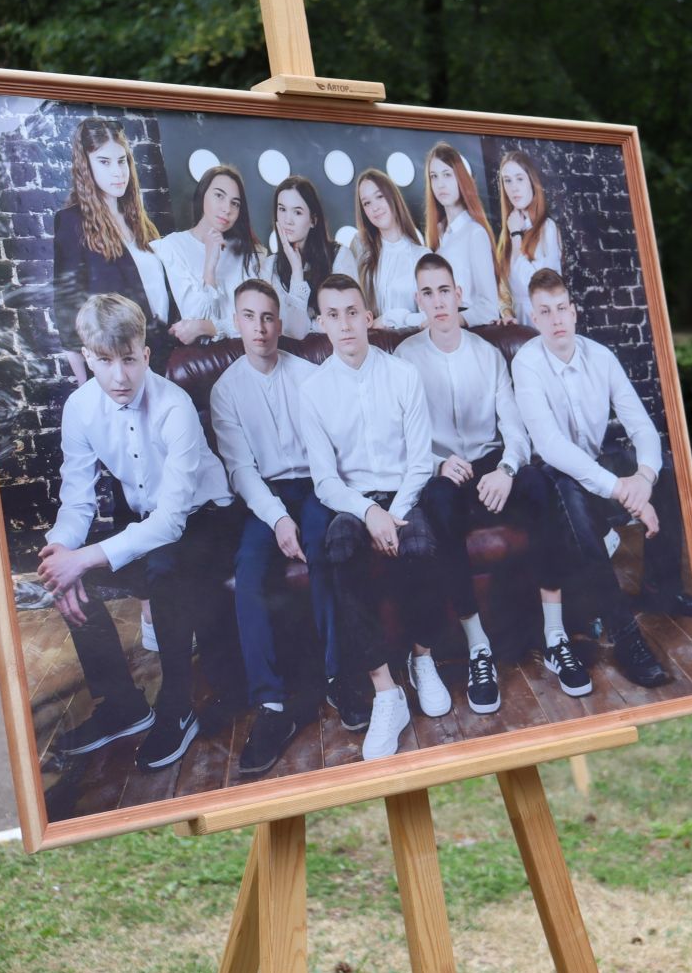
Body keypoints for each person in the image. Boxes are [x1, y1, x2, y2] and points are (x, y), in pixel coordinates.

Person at [37, 293, 240, 771]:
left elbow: (172, 522)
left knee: (164, 563)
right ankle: (122, 705)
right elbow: (78, 502)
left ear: (145, 355)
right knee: (70, 571)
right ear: (88, 357)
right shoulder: (80, 408)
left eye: (129, 360)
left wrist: (83, 558)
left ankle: (177, 707)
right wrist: (61, 553)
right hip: (150, 522)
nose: (120, 376)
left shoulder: (176, 406)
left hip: (209, 519)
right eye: (105, 362)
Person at [396, 254, 586, 710]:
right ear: (418, 300)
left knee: (540, 484)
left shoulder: (487, 353)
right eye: (428, 292)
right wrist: (436, 464)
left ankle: (556, 636)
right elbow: (403, 436)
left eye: (445, 290)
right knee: (439, 504)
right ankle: (478, 645)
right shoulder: (404, 358)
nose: (438, 301)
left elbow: (514, 427)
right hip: (442, 471)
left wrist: (507, 468)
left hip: (490, 463)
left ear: (459, 295)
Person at [513, 268, 692, 691]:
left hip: (595, 462)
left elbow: (643, 428)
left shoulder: (601, 357)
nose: (556, 319)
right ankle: (625, 634)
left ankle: (660, 588)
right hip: (552, 473)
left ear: (574, 313)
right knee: (570, 494)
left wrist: (644, 480)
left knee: (664, 463)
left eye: (562, 309)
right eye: (545, 312)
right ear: (534, 319)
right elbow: (553, 446)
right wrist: (622, 492)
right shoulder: (526, 364)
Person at [299, 274, 450, 761]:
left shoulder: (402, 375)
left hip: (403, 494)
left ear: (368, 317)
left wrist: (395, 514)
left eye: (352, 312)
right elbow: (324, 480)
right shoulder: (313, 390)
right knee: (339, 548)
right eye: (333, 315)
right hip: (351, 500)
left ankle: (423, 658)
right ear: (321, 323)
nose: (345, 324)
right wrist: (369, 513)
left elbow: (420, 461)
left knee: (423, 547)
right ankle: (387, 692)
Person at [210, 279, 346, 776]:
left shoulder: (309, 373)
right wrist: (277, 518)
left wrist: (302, 513)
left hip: (313, 486)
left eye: (268, 317)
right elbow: (241, 470)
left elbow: (328, 449)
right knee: (249, 571)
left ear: (280, 323)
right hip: (264, 497)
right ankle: (269, 704)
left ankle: (337, 677)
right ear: (235, 322)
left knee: (323, 547)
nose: (261, 328)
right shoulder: (226, 390)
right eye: (250, 317)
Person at [52, 117, 172, 381]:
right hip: (117, 363)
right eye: (104, 162)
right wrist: (87, 385)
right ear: (86, 165)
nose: (118, 172)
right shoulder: (72, 222)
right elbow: (67, 310)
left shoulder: (141, 221)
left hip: (161, 354)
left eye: (122, 161)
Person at [151, 164, 259, 345]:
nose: (227, 209)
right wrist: (210, 263)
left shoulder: (244, 252)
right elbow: (194, 328)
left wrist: (209, 327)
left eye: (235, 203)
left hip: (246, 354)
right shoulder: (171, 247)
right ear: (202, 196)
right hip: (203, 361)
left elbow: (258, 322)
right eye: (219, 196)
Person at [331, 168, 428, 329]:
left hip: (410, 343)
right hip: (370, 343)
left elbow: (430, 317)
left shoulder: (421, 256)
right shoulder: (360, 246)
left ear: (393, 198)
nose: (374, 208)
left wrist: (390, 319)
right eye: (367, 203)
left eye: (379, 197)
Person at [423, 143, 503, 324]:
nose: (440, 184)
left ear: (460, 178)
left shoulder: (475, 233)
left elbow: (489, 308)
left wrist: (453, 319)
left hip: (467, 332)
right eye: (433, 177)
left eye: (447, 175)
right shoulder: (438, 236)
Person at [495, 150, 562, 329]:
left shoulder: (547, 228)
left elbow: (535, 286)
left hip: (544, 324)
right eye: (507, 181)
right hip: (518, 327)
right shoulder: (508, 231)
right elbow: (504, 290)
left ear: (532, 182)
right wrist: (507, 313)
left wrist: (516, 236)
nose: (513, 187)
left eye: (519, 178)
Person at [262, 175, 334, 338]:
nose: (288, 220)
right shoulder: (269, 267)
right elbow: (294, 331)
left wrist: (309, 325)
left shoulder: (338, 257)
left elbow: (345, 321)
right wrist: (296, 271)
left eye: (297, 212)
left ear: (313, 220)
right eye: (282, 209)